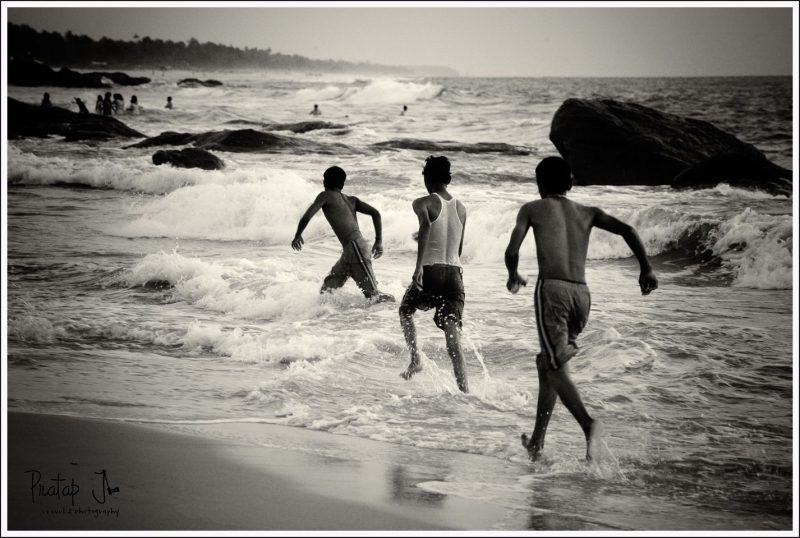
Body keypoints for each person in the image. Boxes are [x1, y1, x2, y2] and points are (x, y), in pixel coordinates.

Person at [504, 156, 658, 462]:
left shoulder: (532, 209)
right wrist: (646, 269)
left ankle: (588, 425)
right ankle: (536, 441)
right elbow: (628, 230)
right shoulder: (588, 212)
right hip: (582, 295)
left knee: (553, 365)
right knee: (547, 363)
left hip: (553, 291)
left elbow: (512, 250)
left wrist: (513, 275)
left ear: (540, 184)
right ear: (570, 183)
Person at [399, 156, 469, 393]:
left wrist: (418, 267)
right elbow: (457, 248)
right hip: (454, 275)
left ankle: (416, 359)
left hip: (431, 272)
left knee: (405, 310)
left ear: (427, 178)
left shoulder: (422, 202)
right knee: (452, 336)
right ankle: (464, 390)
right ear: (447, 178)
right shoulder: (462, 207)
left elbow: (427, 225)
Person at [292, 166, 395, 303]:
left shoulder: (325, 195)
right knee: (326, 291)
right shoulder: (352, 200)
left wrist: (298, 235)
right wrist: (378, 241)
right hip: (349, 251)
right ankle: (328, 320)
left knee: (374, 296)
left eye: (324, 179)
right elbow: (375, 213)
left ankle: (396, 307)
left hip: (355, 248)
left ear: (326, 181)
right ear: (342, 183)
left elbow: (307, 216)